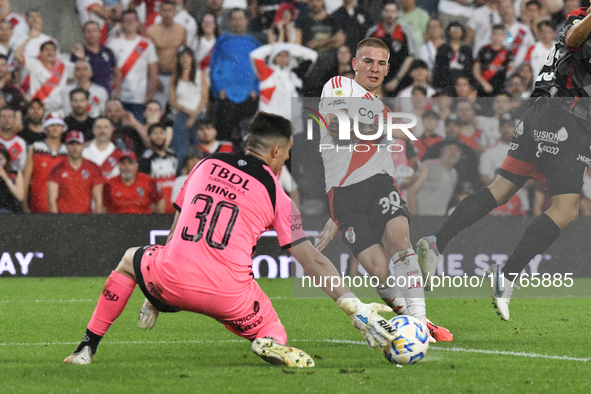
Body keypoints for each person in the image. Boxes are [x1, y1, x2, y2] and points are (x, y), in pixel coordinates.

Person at [64, 111, 399, 367]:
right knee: (274, 330)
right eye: (286, 153)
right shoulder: (278, 195)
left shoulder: (205, 165)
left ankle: (86, 348)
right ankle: (266, 340)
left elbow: (176, 232)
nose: (285, 159)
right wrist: (355, 309)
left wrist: (156, 296)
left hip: (169, 280)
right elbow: (311, 260)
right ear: (276, 150)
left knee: (128, 260)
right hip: (230, 298)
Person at [416, 5, 591, 321]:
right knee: (566, 209)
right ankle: (507, 274)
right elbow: (577, 38)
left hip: (541, 112)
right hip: (565, 119)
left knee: (500, 190)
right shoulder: (580, 20)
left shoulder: (575, 20)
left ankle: (436, 242)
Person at [314, 37, 453, 342]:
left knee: (400, 241)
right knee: (377, 269)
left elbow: (381, 158)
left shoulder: (384, 112)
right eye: (367, 61)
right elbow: (338, 127)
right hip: (344, 196)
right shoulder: (339, 86)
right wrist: (333, 216)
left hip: (380, 184)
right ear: (355, 64)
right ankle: (417, 321)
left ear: (388, 68)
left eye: (380, 63)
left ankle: (418, 324)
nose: (374, 69)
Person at [210, 8, 260, 146]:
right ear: (230, 21)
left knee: (249, 138)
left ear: (246, 21)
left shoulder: (254, 43)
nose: (238, 22)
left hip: (249, 96)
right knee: (224, 137)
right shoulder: (222, 41)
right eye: (235, 19)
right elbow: (215, 67)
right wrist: (219, 88)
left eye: (241, 18)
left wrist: (256, 89)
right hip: (227, 96)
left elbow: (261, 69)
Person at [250, 42, 318, 135]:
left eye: (285, 55)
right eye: (279, 55)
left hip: (291, 127)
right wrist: (274, 46)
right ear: (273, 57)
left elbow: (313, 55)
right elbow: (255, 55)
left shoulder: (295, 76)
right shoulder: (267, 74)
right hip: (270, 126)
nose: (282, 58)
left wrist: (287, 46)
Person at [107, 10, 158, 123]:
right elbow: (107, 70)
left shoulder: (147, 44)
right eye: (126, 20)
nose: (130, 23)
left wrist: (150, 95)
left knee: (136, 132)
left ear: (138, 23)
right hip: (116, 97)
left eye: (133, 20)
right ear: (122, 23)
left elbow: (153, 72)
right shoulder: (111, 43)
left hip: (138, 98)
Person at [47, 130, 105, 214]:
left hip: (86, 218)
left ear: (83, 145)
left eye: (78, 144)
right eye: (71, 144)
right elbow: (51, 200)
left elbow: (98, 199)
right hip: (64, 218)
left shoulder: (93, 168)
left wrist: (97, 222)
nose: (75, 147)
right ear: (66, 146)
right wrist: (57, 223)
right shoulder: (57, 169)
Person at [170, 46, 208, 167]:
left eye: (188, 56)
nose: (185, 59)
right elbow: (173, 101)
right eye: (182, 57)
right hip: (182, 115)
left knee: (201, 150)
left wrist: (194, 115)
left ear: (192, 59)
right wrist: (188, 112)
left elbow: (204, 97)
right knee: (181, 151)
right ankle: (182, 176)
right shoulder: (174, 78)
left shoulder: (200, 75)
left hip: (199, 114)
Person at [22, 113, 68, 213]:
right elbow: (26, 178)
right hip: (38, 205)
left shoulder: (68, 151)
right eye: (52, 125)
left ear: (63, 128)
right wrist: (24, 205)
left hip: (63, 208)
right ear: (46, 128)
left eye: (58, 125)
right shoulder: (35, 148)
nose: (55, 128)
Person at [365, 1, 413, 96]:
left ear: (397, 13)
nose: (390, 15)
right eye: (387, 11)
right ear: (382, 13)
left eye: (393, 11)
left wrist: (397, 80)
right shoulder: (373, 32)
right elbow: (364, 56)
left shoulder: (404, 32)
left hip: (400, 79)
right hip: (376, 77)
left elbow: (410, 57)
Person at [145, 0, 187, 111]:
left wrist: (182, 76)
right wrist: (154, 78)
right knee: (157, 110)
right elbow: (146, 58)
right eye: (164, 10)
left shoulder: (181, 30)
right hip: (159, 76)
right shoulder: (151, 31)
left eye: (170, 11)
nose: (167, 14)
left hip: (175, 76)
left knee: (177, 111)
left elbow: (184, 55)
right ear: (159, 12)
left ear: (175, 12)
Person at [15, 40, 73, 113]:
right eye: (46, 49)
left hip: (57, 109)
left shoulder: (63, 67)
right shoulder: (34, 64)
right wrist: (30, 37)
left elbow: (82, 71)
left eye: (52, 50)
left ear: (55, 53)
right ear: (41, 53)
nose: (50, 52)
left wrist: (81, 58)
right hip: (36, 108)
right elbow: (17, 55)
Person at [408, 141, 461, 215]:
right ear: (443, 150)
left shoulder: (454, 174)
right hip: (420, 217)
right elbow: (411, 191)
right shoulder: (428, 166)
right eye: (450, 148)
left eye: (457, 150)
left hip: (438, 219)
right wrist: (414, 216)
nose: (453, 152)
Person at [71, 21, 121, 96]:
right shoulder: (78, 52)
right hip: (85, 97)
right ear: (83, 34)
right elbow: (73, 75)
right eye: (88, 31)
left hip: (105, 95)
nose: (91, 34)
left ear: (100, 33)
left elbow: (117, 73)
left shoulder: (107, 51)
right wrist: (82, 59)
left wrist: (117, 94)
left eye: (94, 31)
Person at [139, 123, 178, 214]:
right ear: (149, 137)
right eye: (155, 133)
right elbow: (144, 184)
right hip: (157, 207)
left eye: (161, 133)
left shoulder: (173, 155)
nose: (159, 136)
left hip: (173, 205)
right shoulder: (146, 158)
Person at [432, 20, 473, 93]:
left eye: (458, 29)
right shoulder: (442, 49)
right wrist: (436, 85)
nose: (455, 31)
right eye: (453, 29)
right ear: (448, 31)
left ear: (462, 32)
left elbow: (469, 69)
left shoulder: (467, 50)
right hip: (445, 85)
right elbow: (438, 68)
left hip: (462, 86)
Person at [473, 25, 514, 97]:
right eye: (495, 33)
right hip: (483, 88)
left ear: (504, 36)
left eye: (500, 34)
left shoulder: (507, 52)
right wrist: (484, 83)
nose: (497, 37)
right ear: (491, 35)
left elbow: (512, 70)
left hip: (501, 89)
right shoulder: (483, 50)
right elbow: (476, 70)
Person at [0, 106, 26, 173]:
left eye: (9, 116)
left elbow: (22, 168)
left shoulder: (20, 143)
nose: (6, 119)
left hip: (12, 178)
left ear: (14, 119)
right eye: (3, 116)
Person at [0, 143, 23, 213]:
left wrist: (6, 178)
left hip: (10, 212)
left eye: (1, 159)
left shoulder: (15, 174)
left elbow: (20, 197)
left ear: (6, 160)